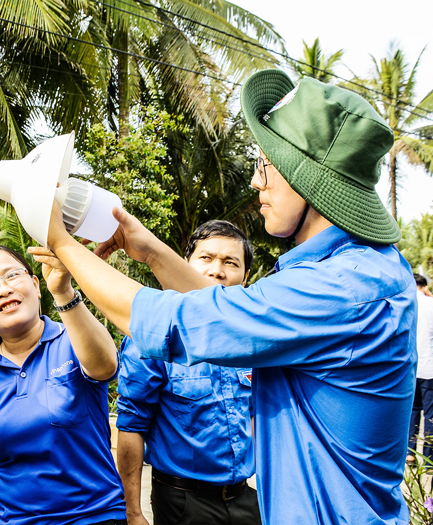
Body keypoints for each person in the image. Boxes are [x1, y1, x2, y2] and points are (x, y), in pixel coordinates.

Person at [45, 69, 417, 524]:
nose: (257, 183)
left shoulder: (342, 288)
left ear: (309, 179)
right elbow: (230, 312)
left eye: (266, 167)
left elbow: (174, 322)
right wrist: (153, 252)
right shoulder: (356, 270)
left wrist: (62, 243)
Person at [0, 245, 127, 525]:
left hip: (94, 516)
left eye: (12, 275)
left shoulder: (74, 340)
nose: (3, 289)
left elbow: (106, 366)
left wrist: (63, 292)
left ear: (35, 284)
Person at [116, 220, 260, 525]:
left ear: (245, 277)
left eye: (230, 262)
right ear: (184, 264)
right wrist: (132, 512)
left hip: (244, 498)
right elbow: (132, 424)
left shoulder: (253, 343)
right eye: (206, 258)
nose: (217, 270)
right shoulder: (154, 336)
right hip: (183, 502)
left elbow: (256, 415)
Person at [408, 273, 433, 463]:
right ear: (425, 287)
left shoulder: (405, 303)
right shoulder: (430, 305)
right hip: (429, 367)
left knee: (412, 411)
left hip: (410, 368)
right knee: (430, 414)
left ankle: (409, 452)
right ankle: (428, 457)